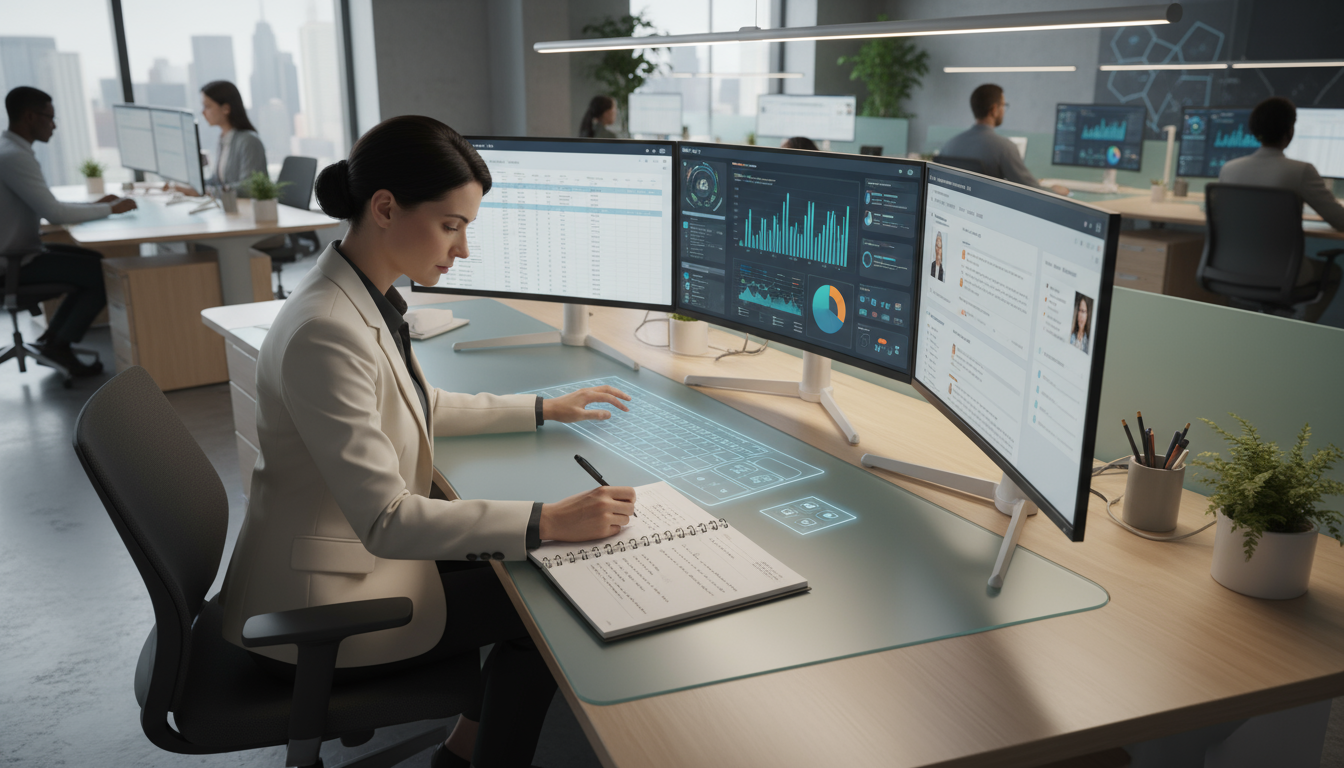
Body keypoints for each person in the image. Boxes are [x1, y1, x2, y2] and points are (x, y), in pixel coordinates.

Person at [217, 115, 637, 768]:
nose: (463, 249)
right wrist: (546, 519)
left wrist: (540, 406)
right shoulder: (327, 329)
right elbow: (387, 521)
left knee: (517, 569)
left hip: (331, 559)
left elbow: (414, 404)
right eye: (451, 224)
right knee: (544, 608)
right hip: (320, 614)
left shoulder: (358, 295)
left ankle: (463, 752)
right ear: (385, 208)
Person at [0, 86, 137, 376]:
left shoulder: (9, 149)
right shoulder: (15, 157)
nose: (54, 124)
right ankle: (58, 345)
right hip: (11, 262)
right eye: (49, 117)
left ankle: (53, 340)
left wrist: (93, 205)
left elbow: (46, 203)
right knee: (102, 273)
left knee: (95, 260)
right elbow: (55, 213)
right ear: (29, 116)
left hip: (17, 251)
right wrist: (111, 209)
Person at [1219, 96, 1344, 288]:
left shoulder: (1228, 169)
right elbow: (1339, 220)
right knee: (1334, 272)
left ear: (1254, 130)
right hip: (1284, 272)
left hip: (1230, 267)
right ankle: (1297, 319)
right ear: (1290, 131)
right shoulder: (1301, 171)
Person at [940, 84, 1069, 196]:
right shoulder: (1004, 147)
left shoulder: (949, 145)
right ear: (994, 110)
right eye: (1003, 105)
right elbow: (1030, 190)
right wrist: (1055, 191)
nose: (1004, 111)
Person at [172, 80, 268, 197]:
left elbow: (249, 187)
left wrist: (206, 192)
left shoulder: (249, 141)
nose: (203, 112)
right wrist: (191, 186)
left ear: (226, 109)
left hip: (246, 211)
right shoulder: (224, 138)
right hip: (230, 209)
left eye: (207, 106)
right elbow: (218, 181)